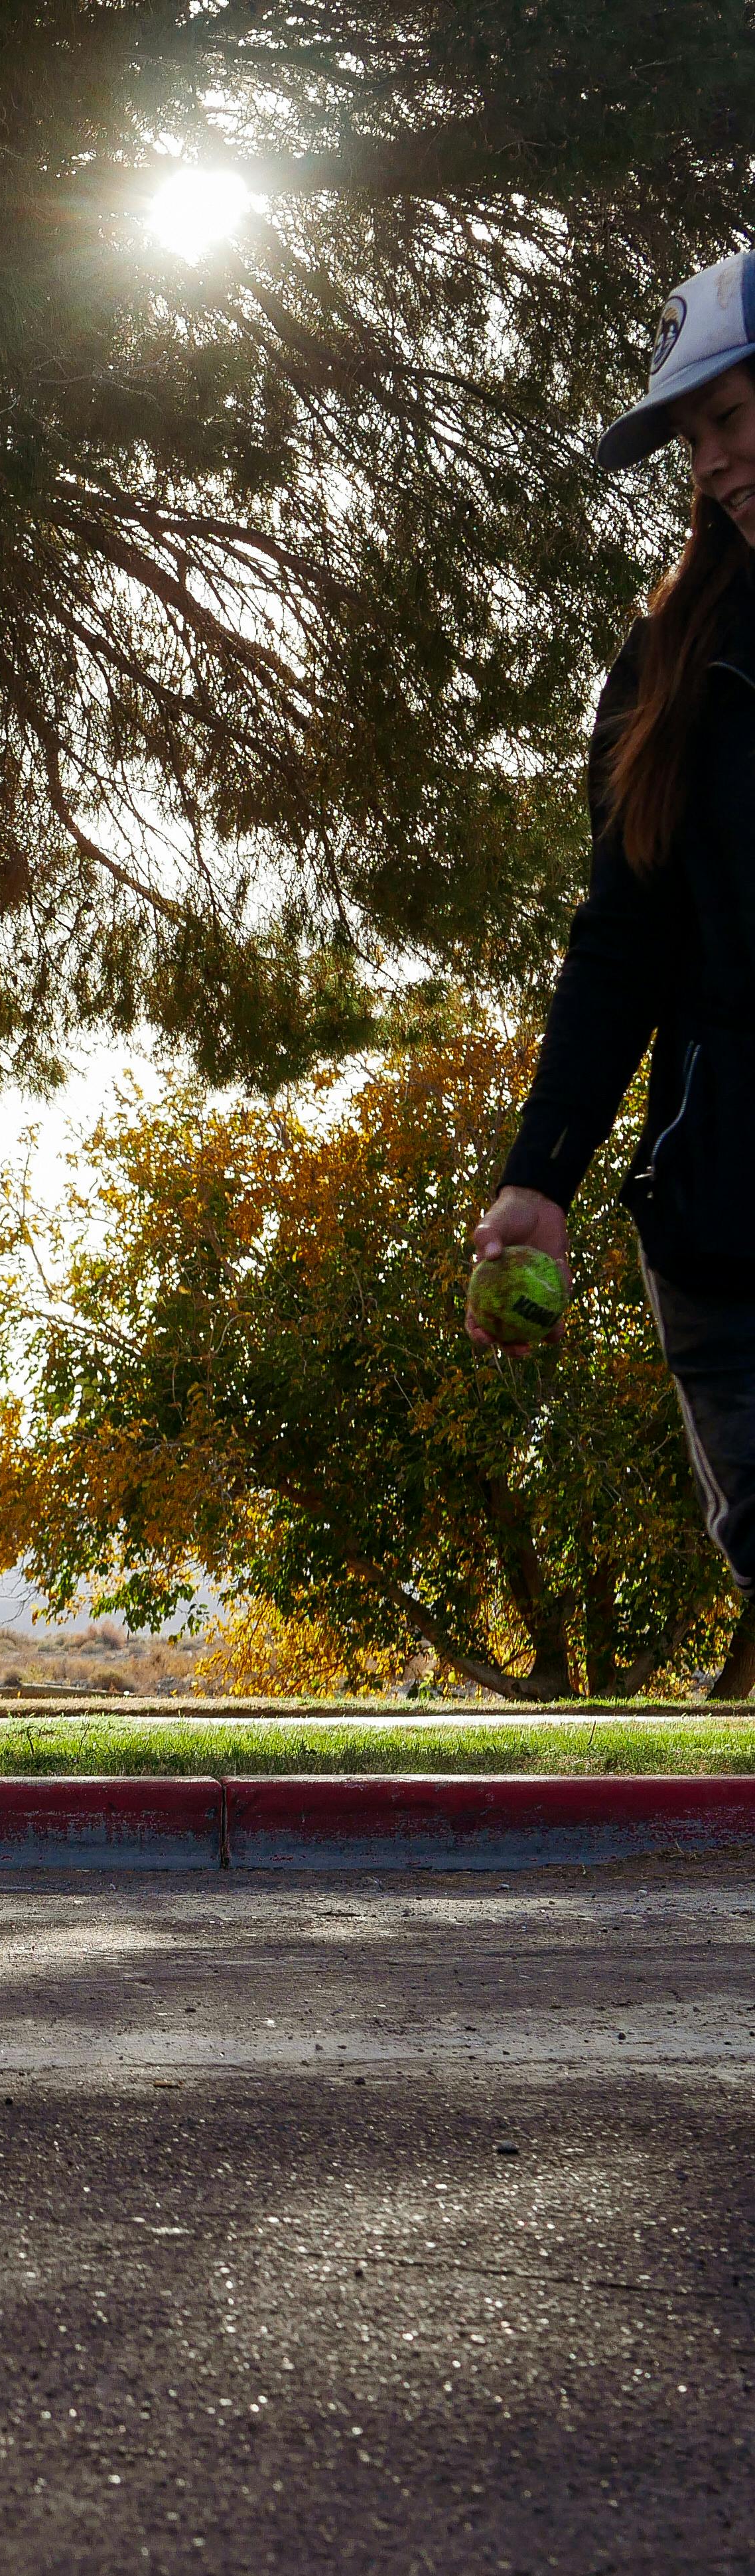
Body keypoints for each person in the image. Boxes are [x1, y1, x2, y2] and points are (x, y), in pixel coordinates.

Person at [475, 251, 755, 1665]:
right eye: (695, 431)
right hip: (724, 1215)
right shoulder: (661, 664)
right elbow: (617, 943)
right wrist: (540, 1175)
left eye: (734, 412)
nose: (715, 458)